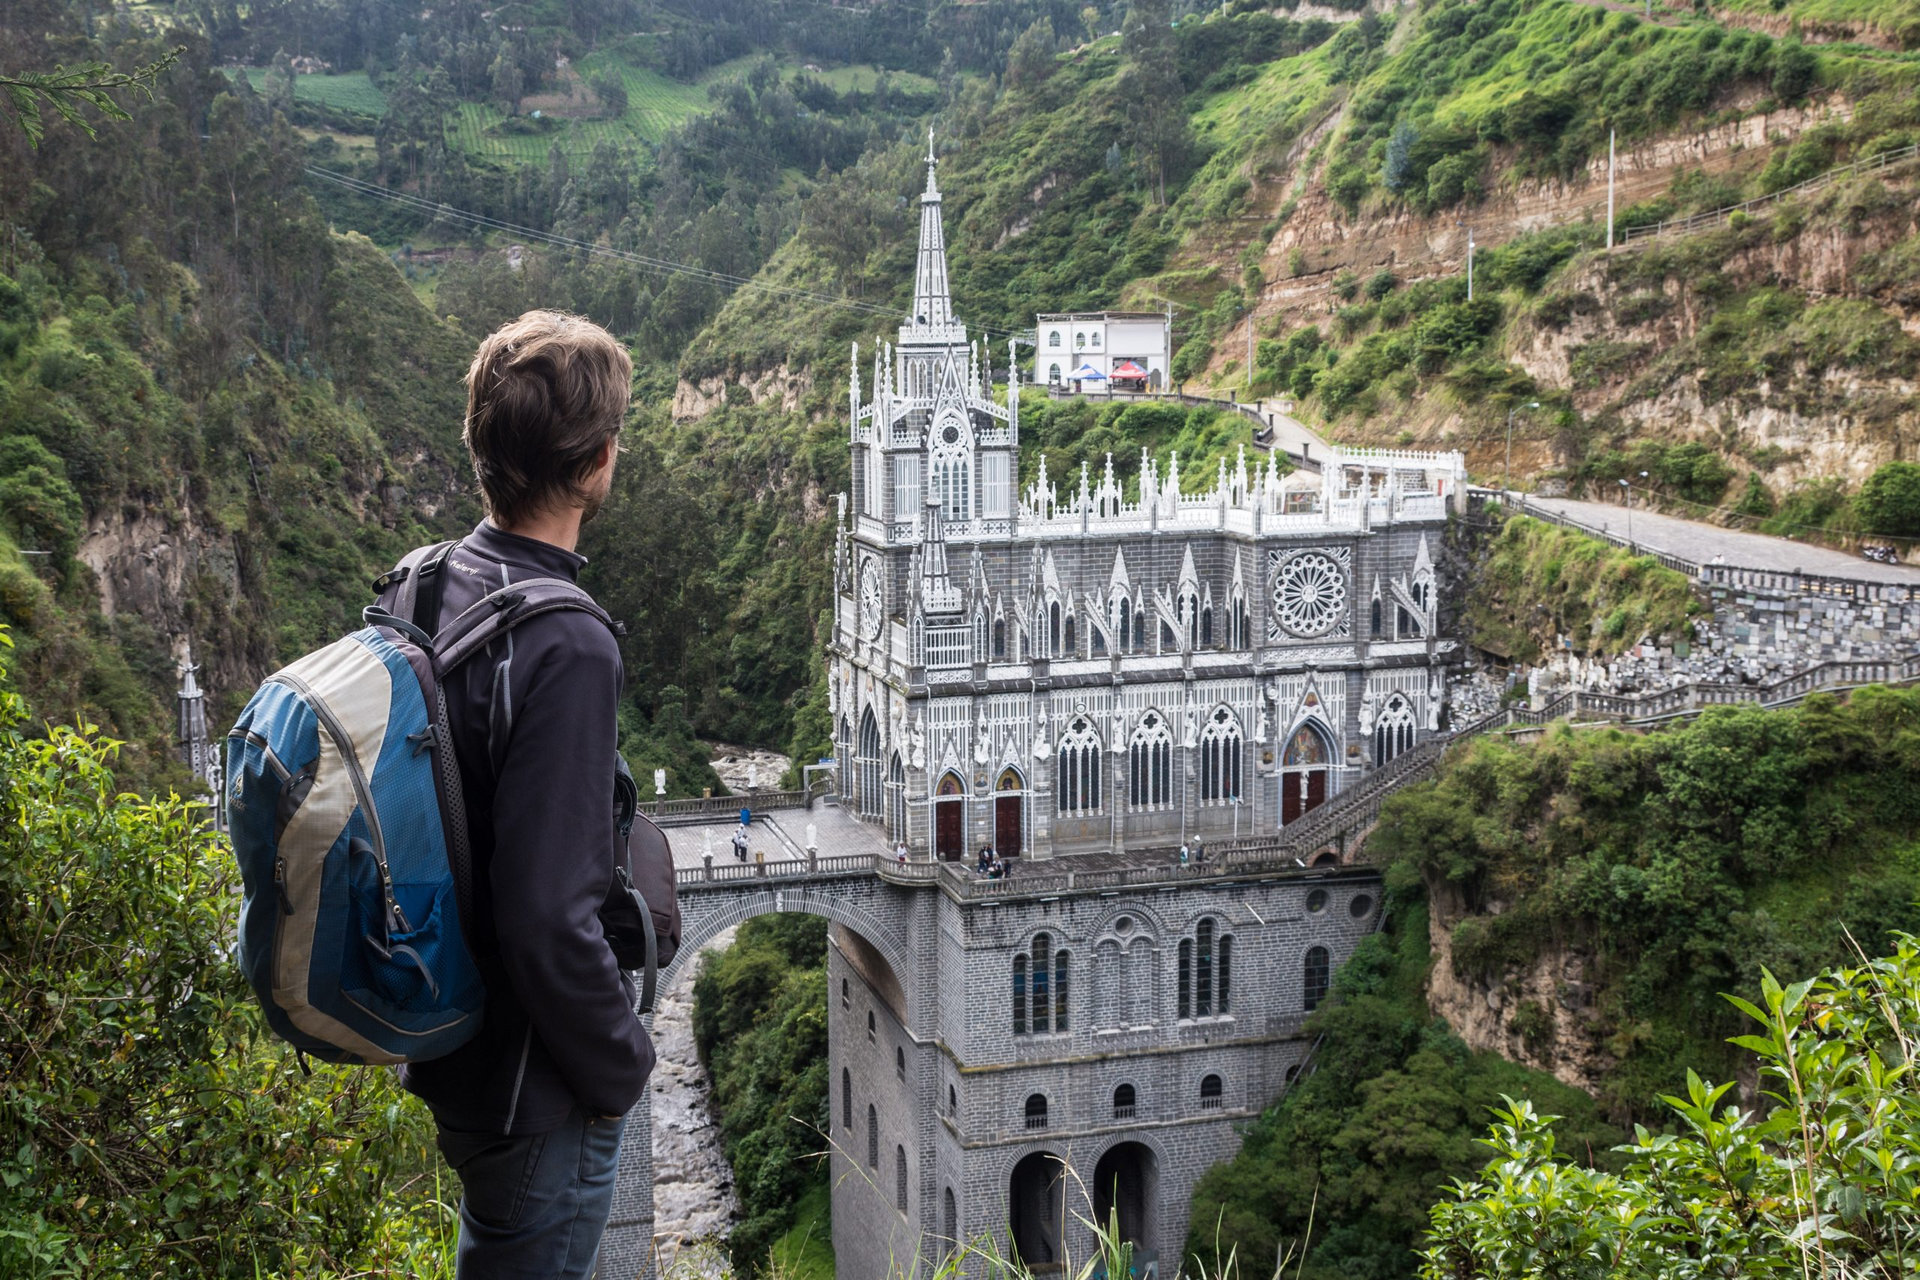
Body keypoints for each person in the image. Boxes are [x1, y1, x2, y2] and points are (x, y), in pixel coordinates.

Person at [381, 311, 649, 1280]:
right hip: (537, 1081)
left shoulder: (423, 581)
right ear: (597, 464)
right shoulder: (568, 643)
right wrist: (622, 1063)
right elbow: (545, 913)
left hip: (452, 1042)